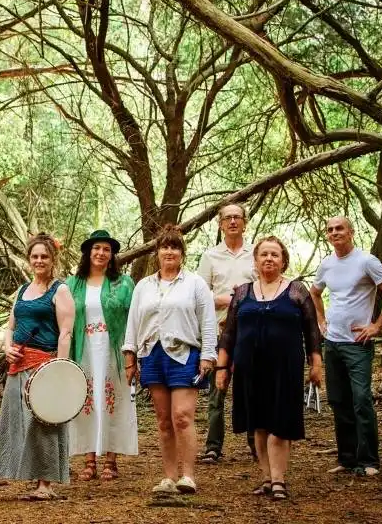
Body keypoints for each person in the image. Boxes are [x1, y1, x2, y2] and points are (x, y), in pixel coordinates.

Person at [215, 236, 324, 500]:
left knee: (280, 424)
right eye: (264, 254)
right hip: (249, 367)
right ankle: (266, 477)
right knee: (259, 425)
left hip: (285, 367)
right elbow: (229, 332)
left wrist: (316, 364)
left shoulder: (297, 291)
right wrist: (222, 367)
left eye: (274, 255)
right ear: (255, 260)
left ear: (283, 260)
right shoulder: (242, 292)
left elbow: (311, 331)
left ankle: (279, 480)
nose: (269, 259)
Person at [123, 224, 216, 495]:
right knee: (164, 420)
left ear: (182, 253)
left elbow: (208, 322)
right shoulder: (144, 286)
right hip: (152, 354)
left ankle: (188, 476)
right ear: (157, 252)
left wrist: (208, 356)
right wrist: (130, 356)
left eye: (174, 247)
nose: (169, 251)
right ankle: (169, 476)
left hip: (184, 355)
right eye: (165, 246)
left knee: (182, 417)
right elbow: (133, 322)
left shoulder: (195, 283)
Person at [311, 216, 382, 477]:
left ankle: (369, 460)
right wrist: (321, 320)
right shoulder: (327, 264)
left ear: (350, 232)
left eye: (339, 228)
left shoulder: (366, 261)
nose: (334, 233)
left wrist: (377, 326)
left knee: (361, 400)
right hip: (333, 343)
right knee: (339, 401)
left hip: (357, 344)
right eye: (329, 230)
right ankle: (348, 458)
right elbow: (314, 292)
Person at [0, 233, 76, 501]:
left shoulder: (60, 290)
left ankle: (46, 484)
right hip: (18, 367)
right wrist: (7, 347)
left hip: (44, 366)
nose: (39, 261)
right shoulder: (22, 290)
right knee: (21, 423)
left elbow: (65, 333)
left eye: (44, 256)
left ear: (53, 259)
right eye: (35, 256)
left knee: (44, 423)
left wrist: (59, 370)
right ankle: (28, 475)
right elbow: (11, 326)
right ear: (29, 259)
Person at [67, 230, 137, 481]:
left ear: (112, 255)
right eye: (97, 248)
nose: (101, 253)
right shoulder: (73, 283)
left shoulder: (124, 283)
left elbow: (133, 319)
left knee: (112, 400)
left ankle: (110, 459)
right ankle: (88, 458)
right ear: (88, 252)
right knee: (86, 402)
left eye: (106, 249)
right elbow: (63, 319)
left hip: (112, 349)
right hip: (83, 348)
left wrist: (131, 355)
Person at [197, 204, 257, 464]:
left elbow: (266, 288)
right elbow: (199, 296)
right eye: (227, 218)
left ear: (245, 222)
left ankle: (256, 443)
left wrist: (245, 298)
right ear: (220, 224)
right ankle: (213, 446)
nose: (233, 221)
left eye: (237, 217)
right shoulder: (210, 256)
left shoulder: (255, 253)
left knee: (252, 390)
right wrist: (222, 299)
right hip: (220, 332)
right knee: (217, 390)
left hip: (251, 332)